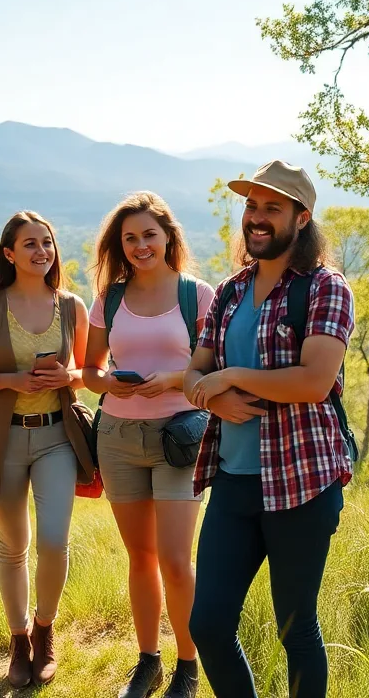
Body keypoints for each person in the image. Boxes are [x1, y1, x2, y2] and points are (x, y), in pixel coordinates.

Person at [183, 161, 354, 698]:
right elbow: (194, 372)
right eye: (251, 207)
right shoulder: (231, 292)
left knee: (294, 627)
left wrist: (229, 377)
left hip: (302, 483)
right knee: (206, 624)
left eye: (271, 208)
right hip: (234, 481)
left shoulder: (325, 288)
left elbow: (315, 381)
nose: (256, 219)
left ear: (301, 219)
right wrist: (215, 398)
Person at [83, 193, 214, 698]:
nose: (140, 246)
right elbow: (91, 371)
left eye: (149, 236)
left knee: (176, 559)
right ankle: (148, 660)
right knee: (140, 557)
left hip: (178, 438)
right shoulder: (109, 299)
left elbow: (212, 372)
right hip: (117, 437)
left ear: (168, 238)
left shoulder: (196, 295)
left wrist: (174, 381)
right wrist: (108, 383)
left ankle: (188, 663)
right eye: (130, 238)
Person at [0, 211, 94, 689]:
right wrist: (10, 380)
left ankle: (44, 628)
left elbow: (87, 372)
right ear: (9, 253)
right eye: (30, 244)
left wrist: (68, 377)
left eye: (47, 242)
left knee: (55, 541)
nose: (41, 252)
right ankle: (18, 640)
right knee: (14, 547)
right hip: (4, 439)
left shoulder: (73, 306)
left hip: (57, 436)